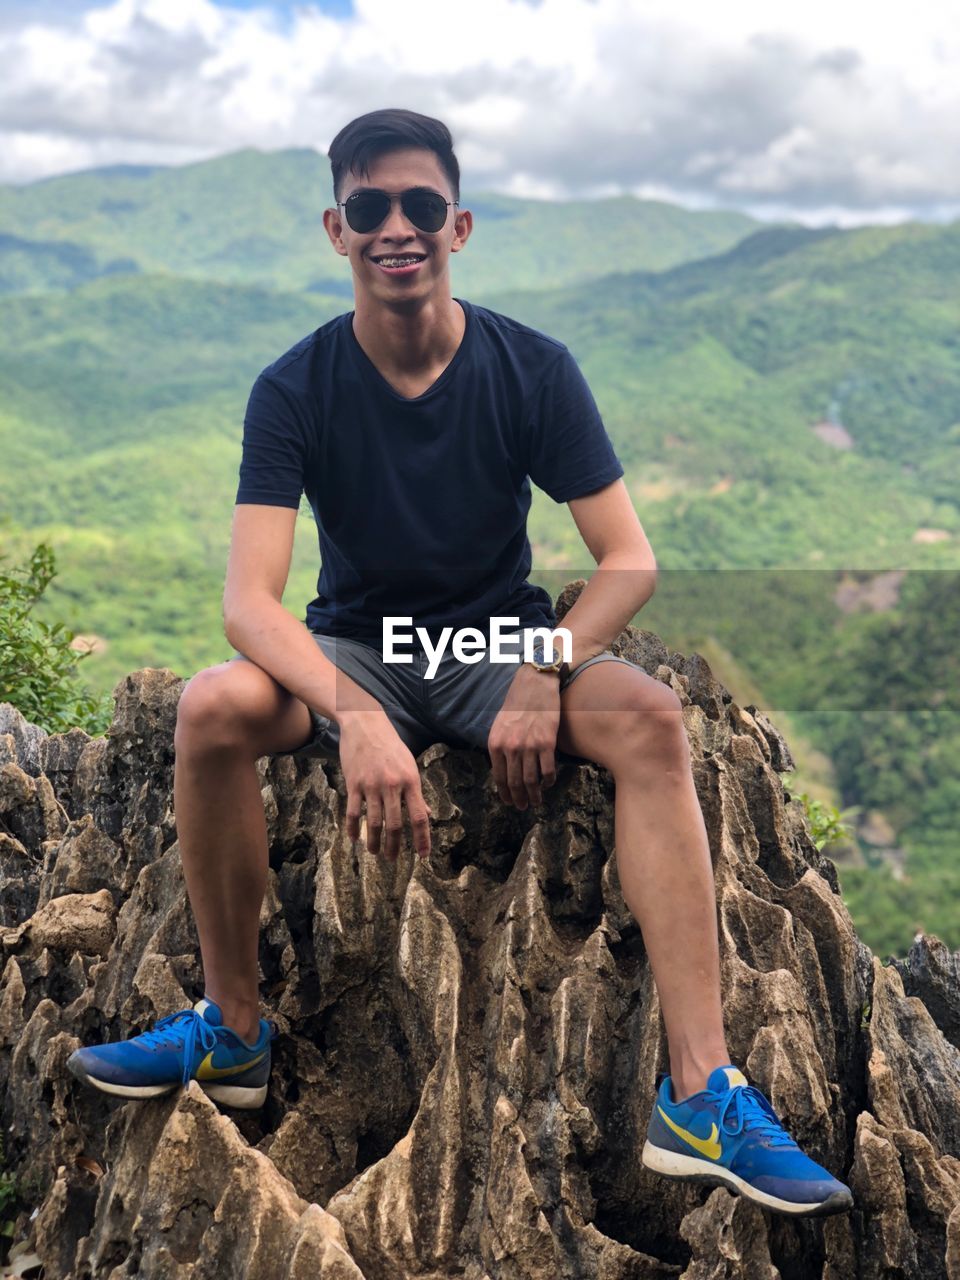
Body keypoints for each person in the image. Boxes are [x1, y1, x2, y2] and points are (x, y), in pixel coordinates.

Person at [67, 108, 852, 1218]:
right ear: (336, 230)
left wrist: (542, 663)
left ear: (460, 224)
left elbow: (627, 560)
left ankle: (700, 1093)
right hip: (357, 648)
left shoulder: (530, 369)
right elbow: (249, 601)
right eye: (372, 208)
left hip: (493, 640)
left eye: (421, 206)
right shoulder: (293, 387)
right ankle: (232, 1029)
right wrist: (357, 709)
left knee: (653, 725)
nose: (399, 228)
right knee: (211, 710)